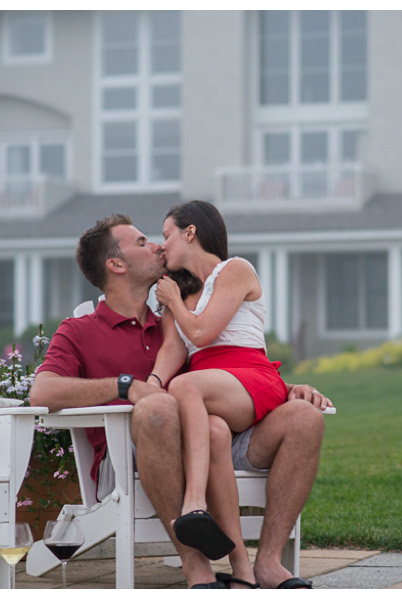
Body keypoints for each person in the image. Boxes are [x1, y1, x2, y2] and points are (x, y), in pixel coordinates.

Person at [28, 213, 331, 589]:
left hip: (211, 440)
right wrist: (126, 387)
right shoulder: (80, 330)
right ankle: (196, 566)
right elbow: (42, 392)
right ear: (116, 264)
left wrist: (288, 388)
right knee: (159, 406)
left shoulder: (176, 321)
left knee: (303, 417)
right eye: (142, 242)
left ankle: (266, 563)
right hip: (126, 458)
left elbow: (227, 364)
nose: (157, 244)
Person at [147, 199, 291, 575]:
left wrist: (175, 304)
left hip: (249, 376)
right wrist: (151, 384)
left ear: (190, 232)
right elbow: (173, 349)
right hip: (209, 391)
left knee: (186, 386)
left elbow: (201, 331)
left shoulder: (235, 270)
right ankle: (242, 567)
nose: (162, 246)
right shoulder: (178, 292)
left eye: (167, 236)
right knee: (212, 431)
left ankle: (193, 505)